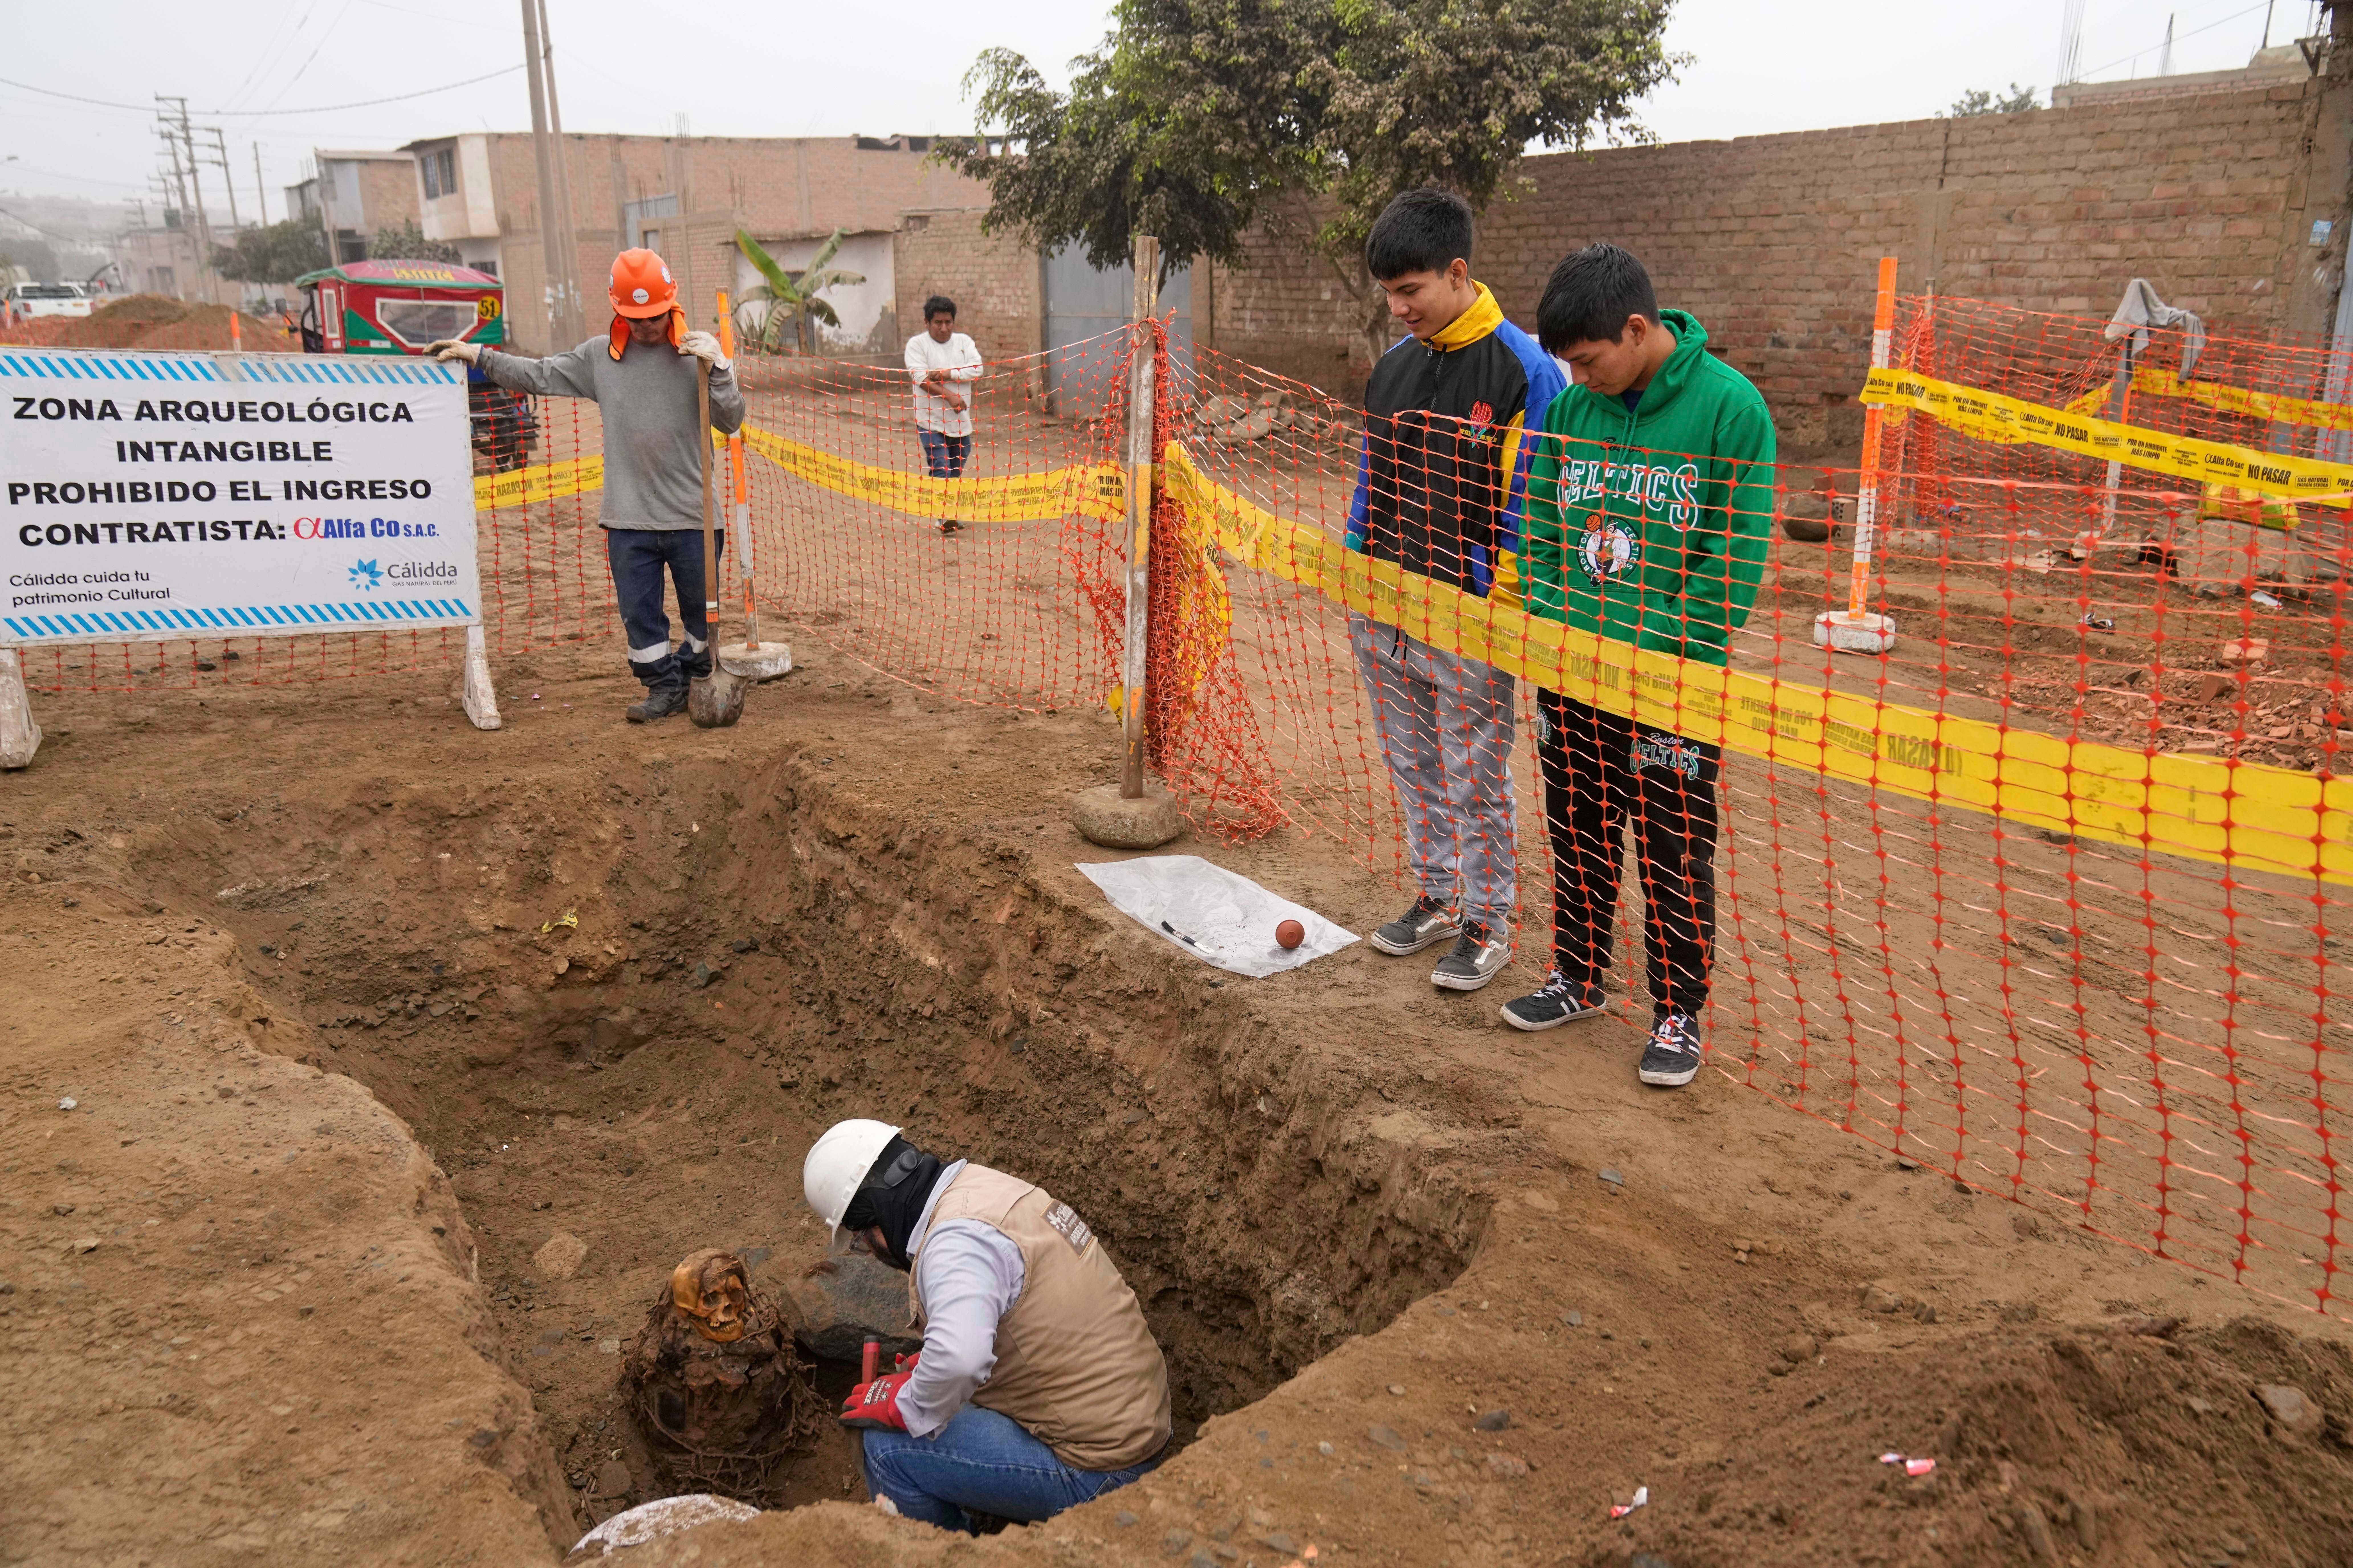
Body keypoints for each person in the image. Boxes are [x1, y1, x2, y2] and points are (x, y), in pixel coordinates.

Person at [1500, 243, 1774, 1089]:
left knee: (1672, 845)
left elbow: (1732, 560)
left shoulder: (1732, 411)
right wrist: (1556, 616)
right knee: (1576, 824)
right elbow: (1539, 524)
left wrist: (1645, 643)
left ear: (1635, 328)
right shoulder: (1573, 412)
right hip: (1573, 671)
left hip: (1670, 687)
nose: (1577, 379)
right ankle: (1577, 976)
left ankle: (1676, 1012)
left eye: (1588, 361)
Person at [1345, 188, 1566, 993]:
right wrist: (1354, 568)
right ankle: (1437, 895)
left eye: (1412, 292)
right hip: (1386, 608)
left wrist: (1496, 609)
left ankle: (1488, 920)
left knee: (1476, 775)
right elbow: (1371, 482)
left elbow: (1529, 504)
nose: (1399, 309)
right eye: (1390, 295)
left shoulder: (1523, 371)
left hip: (1469, 617)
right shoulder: (1394, 369)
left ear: (1458, 272)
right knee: (1413, 764)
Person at [800, 1118, 1171, 1532]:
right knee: (940, 1391)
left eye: (859, 1240)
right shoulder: (982, 1189)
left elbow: (961, 1360)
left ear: (877, 1217)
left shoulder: (954, 1242)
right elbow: (1018, 1314)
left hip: (1101, 1471)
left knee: (885, 1447)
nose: (867, 1253)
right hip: (1137, 1420)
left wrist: (908, 1406)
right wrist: (928, 1370)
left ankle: (951, 1553)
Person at [427, 248, 741, 723]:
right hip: (628, 518)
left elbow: (731, 419)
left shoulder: (696, 357)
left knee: (703, 612)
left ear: (670, 305)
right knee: (639, 615)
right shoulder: (601, 357)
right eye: (635, 319)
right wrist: (480, 356)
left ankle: (698, 670)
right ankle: (664, 685)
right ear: (618, 310)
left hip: (694, 518)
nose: (646, 327)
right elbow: (540, 374)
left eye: (654, 317)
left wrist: (721, 371)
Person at [905, 295, 983, 533]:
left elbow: (977, 369)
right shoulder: (917, 345)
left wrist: (947, 374)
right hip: (930, 421)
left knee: (956, 469)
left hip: (960, 422)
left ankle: (950, 512)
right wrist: (950, 396)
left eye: (948, 322)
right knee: (941, 467)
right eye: (938, 323)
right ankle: (944, 518)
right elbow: (920, 379)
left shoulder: (964, 342)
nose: (944, 328)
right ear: (927, 322)